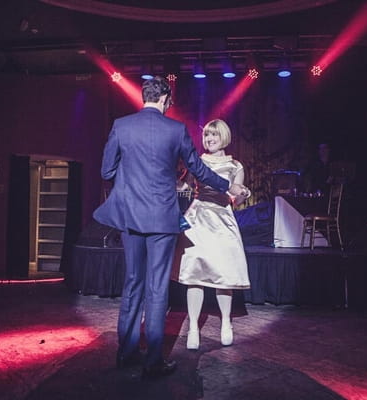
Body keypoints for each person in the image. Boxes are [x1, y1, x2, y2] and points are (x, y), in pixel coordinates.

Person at [93, 76, 248, 379]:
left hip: (130, 216)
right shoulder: (176, 129)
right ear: (164, 99)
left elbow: (107, 170)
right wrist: (227, 185)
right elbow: (198, 169)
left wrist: (132, 182)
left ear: (144, 97)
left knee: (133, 281)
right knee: (157, 286)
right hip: (162, 217)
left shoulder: (121, 126)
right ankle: (153, 360)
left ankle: (125, 353)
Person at [174, 119, 251, 351]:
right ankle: (193, 328)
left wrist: (243, 194)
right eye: (207, 136)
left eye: (213, 136)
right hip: (198, 218)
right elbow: (184, 187)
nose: (209, 140)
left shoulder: (236, 165)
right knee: (194, 274)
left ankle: (226, 323)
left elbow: (236, 197)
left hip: (222, 221)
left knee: (223, 275)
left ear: (224, 137)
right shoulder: (197, 161)